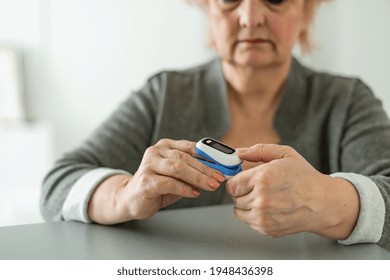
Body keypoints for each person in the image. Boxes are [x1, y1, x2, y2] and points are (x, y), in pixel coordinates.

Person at [41, 0, 390, 251]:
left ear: (307, 10)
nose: (250, 17)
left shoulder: (347, 100)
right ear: (207, 9)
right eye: (229, 1)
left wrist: (326, 201)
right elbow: (58, 183)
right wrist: (124, 195)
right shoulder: (164, 95)